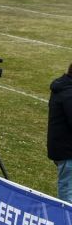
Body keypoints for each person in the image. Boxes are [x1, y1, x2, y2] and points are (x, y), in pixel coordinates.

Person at [47, 62, 72, 203]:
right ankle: (67, 222)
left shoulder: (64, 87)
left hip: (63, 148)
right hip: (68, 151)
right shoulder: (68, 93)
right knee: (67, 194)